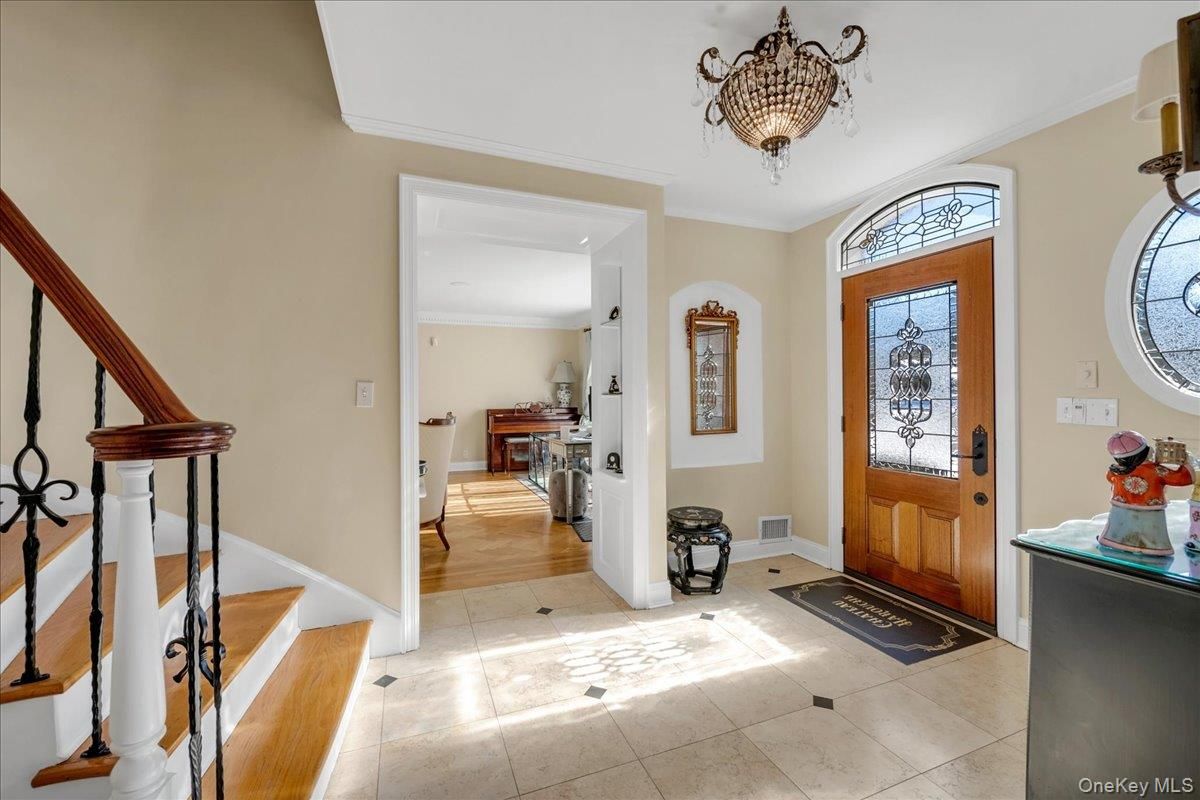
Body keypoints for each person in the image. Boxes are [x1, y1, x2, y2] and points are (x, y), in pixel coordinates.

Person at [1098, 430, 1193, 556]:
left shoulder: (1117, 471)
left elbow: (1110, 478)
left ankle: (1114, 541)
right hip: (1150, 511)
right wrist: (1186, 463)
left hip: (1121, 508)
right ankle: (1152, 548)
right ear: (1145, 453)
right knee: (1150, 534)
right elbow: (1182, 478)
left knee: (1118, 528)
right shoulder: (1156, 470)